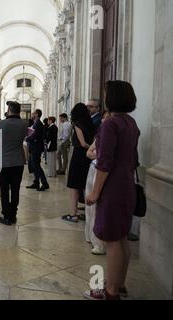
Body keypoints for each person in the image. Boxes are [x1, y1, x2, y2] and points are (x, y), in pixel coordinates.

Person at [84, 81, 140, 300]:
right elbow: (133, 159)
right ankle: (119, 283)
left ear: (112, 97)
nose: (104, 98)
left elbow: (104, 162)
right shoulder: (130, 122)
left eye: (106, 94)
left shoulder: (111, 124)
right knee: (121, 237)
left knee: (112, 240)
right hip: (126, 185)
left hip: (113, 188)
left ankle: (111, 291)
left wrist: (95, 192)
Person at [0, 102, 28, 226]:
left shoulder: (0, 124)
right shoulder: (25, 124)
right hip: (18, 161)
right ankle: (13, 214)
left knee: (4, 190)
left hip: (3, 161)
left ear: (9, 109)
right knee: (15, 189)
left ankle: (6, 215)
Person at [62, 103, 95, 223]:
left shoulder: (77, 124)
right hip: (89, 158)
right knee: (86, 185)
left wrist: (89, 148)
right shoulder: (91, 124)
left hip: (79, 156)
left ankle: (73, 214)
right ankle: (88, 213)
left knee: (73, 186)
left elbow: (82, 143)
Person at [84, 111, 110, 256]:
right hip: (93, 169)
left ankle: (99, 242)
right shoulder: (100, 135)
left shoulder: (112, 134)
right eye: (103, 118)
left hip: (102, 171)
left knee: (99, 205)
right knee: (91, 206)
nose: (104, 121)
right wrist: (96, 155)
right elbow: (89, 152)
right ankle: (91, 235)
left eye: (107, 118)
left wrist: (98, 156)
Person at [26, 109, 49, 192]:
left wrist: (26, 138)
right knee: (34, 165)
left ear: (36, 114)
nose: (31, 115)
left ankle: (45, 183)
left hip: (36, 148)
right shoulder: (35, 123)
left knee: (37, 166)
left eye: (33, 113)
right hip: (34, 147)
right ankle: (36, 182)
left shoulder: (38, 124)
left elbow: (34, 136)